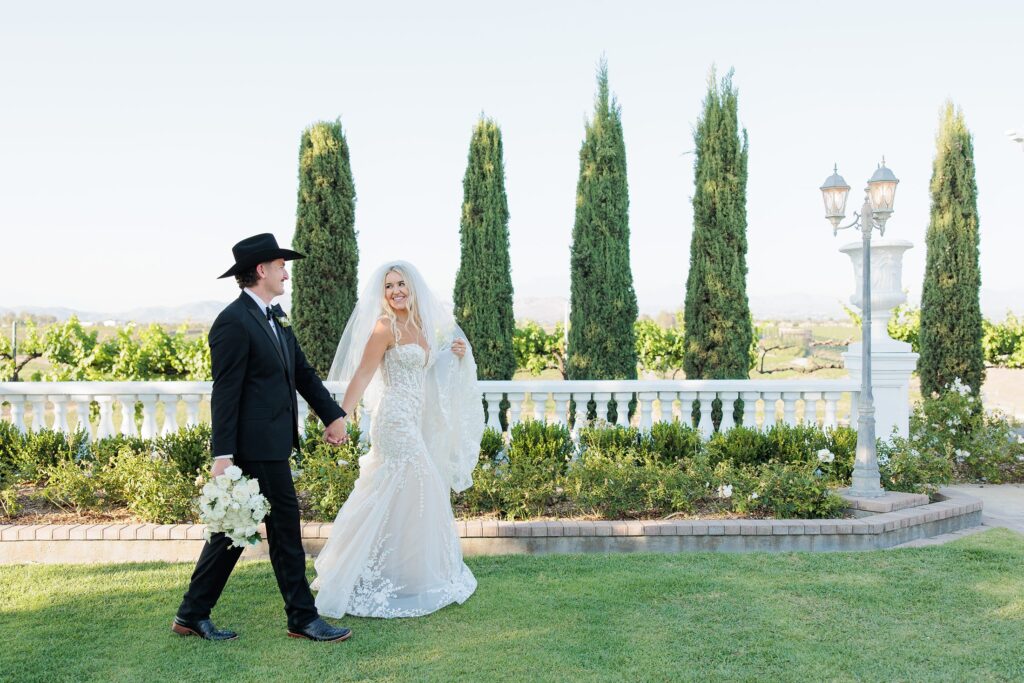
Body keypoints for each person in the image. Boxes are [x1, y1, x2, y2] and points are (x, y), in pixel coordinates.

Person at [172, 233, 352, 643]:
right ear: (261, 270)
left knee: (233, 532)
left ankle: (191, 613)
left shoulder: (275, 316)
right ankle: (303, 619)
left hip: (273, 444)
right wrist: (223, 454)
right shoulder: (233, 322)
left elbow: (302, 372)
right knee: (286, 530)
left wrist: (332, 414)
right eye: (280, 265)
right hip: (255, 448)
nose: (286, 273)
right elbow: (226, 392)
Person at [312, 261, 484, 618]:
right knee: (421, 483)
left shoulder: (420, 326)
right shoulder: (384, 326)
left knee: (401, 492)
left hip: (414, 420)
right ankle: (369, 572)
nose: (396, 291)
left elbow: (426, 372)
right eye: (389, 286)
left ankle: (403, 572)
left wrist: (452, 358)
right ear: (383, 293)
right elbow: (362, 374)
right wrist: (338, 416)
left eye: (401, 284)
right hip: (393, 422)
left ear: (412, 287)